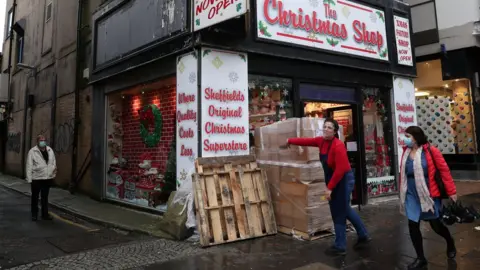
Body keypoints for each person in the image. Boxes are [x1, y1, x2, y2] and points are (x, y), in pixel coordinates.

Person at [287, 118, 370, 256]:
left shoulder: (338, 146)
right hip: (334, 179)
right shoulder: (321, 141)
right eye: (324, 126)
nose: (326, 129)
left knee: (338, 211)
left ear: (335, 131)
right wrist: (290, 140)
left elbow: (341, 169)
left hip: (343, 179)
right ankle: (363, 234)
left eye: (329, 127)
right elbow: (306, 141)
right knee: (344, 209)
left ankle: (340, 246)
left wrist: (330, 187)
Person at [400, 126, 457, 269]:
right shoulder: (405, 152)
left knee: (436, 225)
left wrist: (452, 191)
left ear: (416, 137)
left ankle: (449, 241)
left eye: (408, 136)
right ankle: (420, 258)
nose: (405, 138)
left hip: (428, 192)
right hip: (411, 192)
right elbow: (404, 173)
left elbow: (444, 170)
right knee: (413, 224)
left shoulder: (431, 151)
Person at [26, 135, 57, 221]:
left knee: (45, 197)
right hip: (36, 178)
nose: (43, 142)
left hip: (47, 178)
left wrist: (53, 172)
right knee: (35, 197)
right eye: (41, 140)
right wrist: (29, 179)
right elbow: (29, 165)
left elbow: (53, 162)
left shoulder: (50, 150)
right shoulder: (32, 151)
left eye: (44, 140)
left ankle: (45, 214)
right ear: (37, 141)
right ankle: (34, 214)